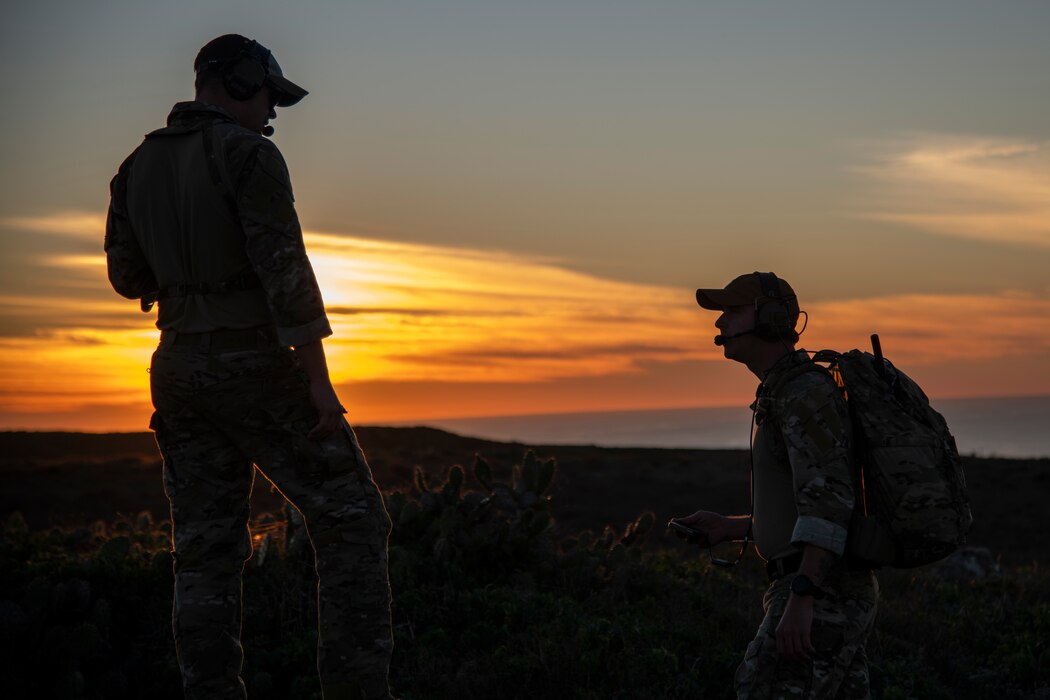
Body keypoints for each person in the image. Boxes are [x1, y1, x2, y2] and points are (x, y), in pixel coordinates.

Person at [105, 34, 394, 700]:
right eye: (267, 95)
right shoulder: (249, 156)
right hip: (254, 360)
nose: (270, 114)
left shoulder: (135, 167)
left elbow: (126, 277)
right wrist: (317, 382)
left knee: (204, 549)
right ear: (236, 81)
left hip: (175, 365)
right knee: (352, 518)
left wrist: (184, 278)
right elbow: (285, 272)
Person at [672, 272, 878, 699]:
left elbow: (830, 504)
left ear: (770, 317)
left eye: (731, 311)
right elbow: (808, 504)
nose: (719, 323)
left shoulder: (804, 395)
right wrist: (733, 527)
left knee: (760, 687)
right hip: (823, 588)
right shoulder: (784, 392)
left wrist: (802, 597)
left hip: (819, 589)